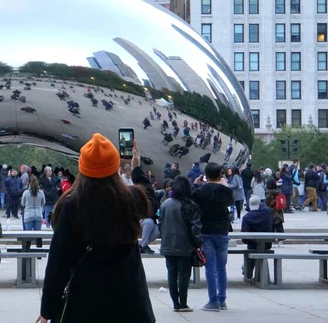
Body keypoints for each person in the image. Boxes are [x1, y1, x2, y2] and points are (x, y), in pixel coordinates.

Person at [37, 134, 155, 323]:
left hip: (84, 304)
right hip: (129, 304)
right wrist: (137, 168)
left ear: (83, 169)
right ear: (115, 167)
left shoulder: (72, 205)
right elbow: (150, 198)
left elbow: (58, 262)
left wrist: (48, 310)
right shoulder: (130, 199)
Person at [192, 162, 234, 312]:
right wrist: (225, 186)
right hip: (222, 230)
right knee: (221, 267)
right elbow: (231, 201)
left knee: (209, 266)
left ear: (205, 175)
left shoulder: (200, 191)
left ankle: (213, 300)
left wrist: (195, 184)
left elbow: (192, 200)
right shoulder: (223, 191)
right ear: (220, 175)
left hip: (206, 230)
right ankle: (222, 299)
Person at [159, 176, 202, 312]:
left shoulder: (165, 204)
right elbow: (196, 228)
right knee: (184, 275)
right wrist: (198, 243)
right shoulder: (189, 205)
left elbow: (160, 224)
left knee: (171, 274)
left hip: (168, 245)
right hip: (185, 245)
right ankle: (183, 302)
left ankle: (175, 304)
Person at [241, 196, 272, 279]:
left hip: (252, 243)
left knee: (251, 250)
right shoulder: (267, 212)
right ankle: (260, 275)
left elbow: (244, 236)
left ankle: (248, 273)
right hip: (267, 243)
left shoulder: (247, 217)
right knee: (259, 249)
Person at [265, 178, 285, 247]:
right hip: (278, 211)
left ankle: (272, 241)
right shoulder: (279, 191)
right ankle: (281, 241)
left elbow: (267, 203)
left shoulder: (268, 193)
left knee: (272, 227)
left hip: (271, 211)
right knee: (279, 226)